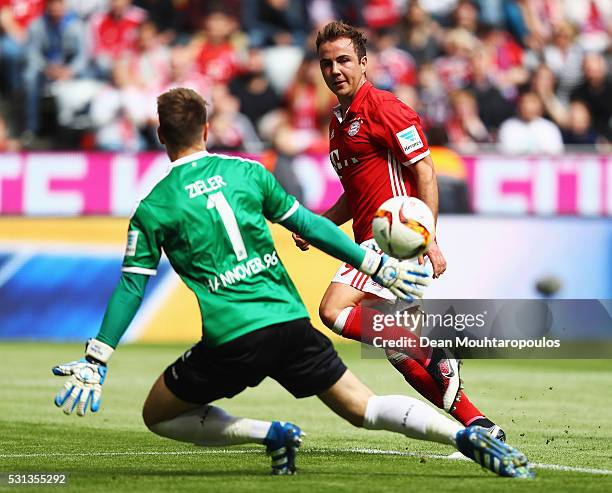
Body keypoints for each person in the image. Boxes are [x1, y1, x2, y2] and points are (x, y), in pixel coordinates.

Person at [51, 87, 533, 479]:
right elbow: (309, 223)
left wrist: (98, 357)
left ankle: (268, 432)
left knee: (158, 414)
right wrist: (376, 265)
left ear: (160, 135)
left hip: (231, 338)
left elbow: (132, 286)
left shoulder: (154, 207)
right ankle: (467, 436)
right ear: (206, 129)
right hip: (290, 324)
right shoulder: (246, 173)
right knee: (365, 407)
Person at [292, 21, 505, 437]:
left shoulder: (385, 107)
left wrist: (429, 239)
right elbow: (354, 197)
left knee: (333, 310)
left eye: (344, 61)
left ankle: (432, 349)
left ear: (364, 62)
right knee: (399, 353)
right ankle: (478, 425)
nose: (335, 70)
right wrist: (317, 227)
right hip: (371, 238)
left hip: (393, 240)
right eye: (326, 63)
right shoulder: (338, 122)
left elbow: (424, 169)